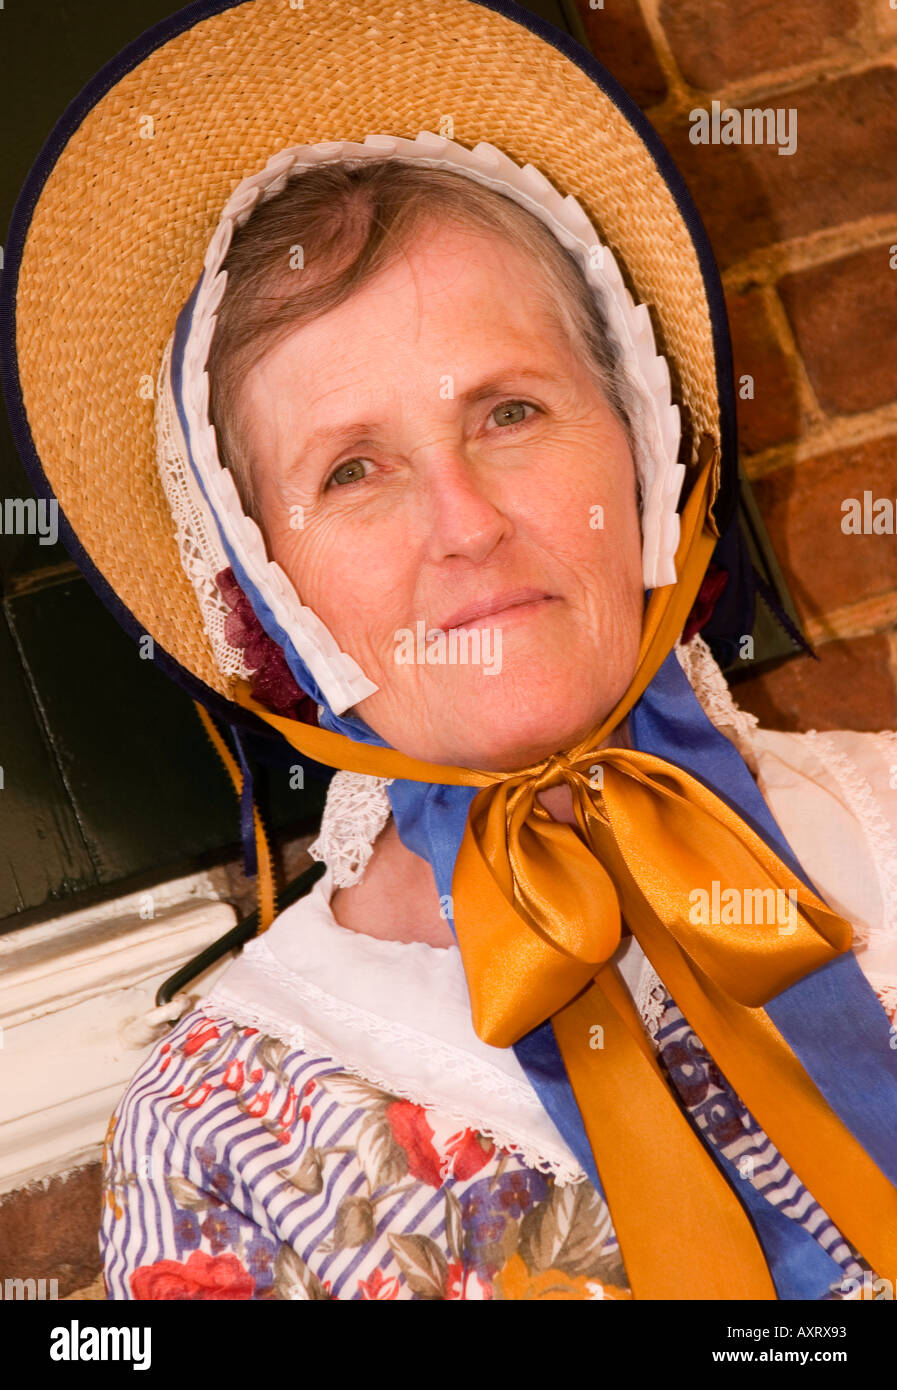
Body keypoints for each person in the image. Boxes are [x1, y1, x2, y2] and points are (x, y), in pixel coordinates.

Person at [6, 0, 897, 1303]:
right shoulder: (219, 1139)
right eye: (354, 469)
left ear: (643, 450)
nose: (467, 524)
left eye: (510, 408)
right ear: (262, 595)